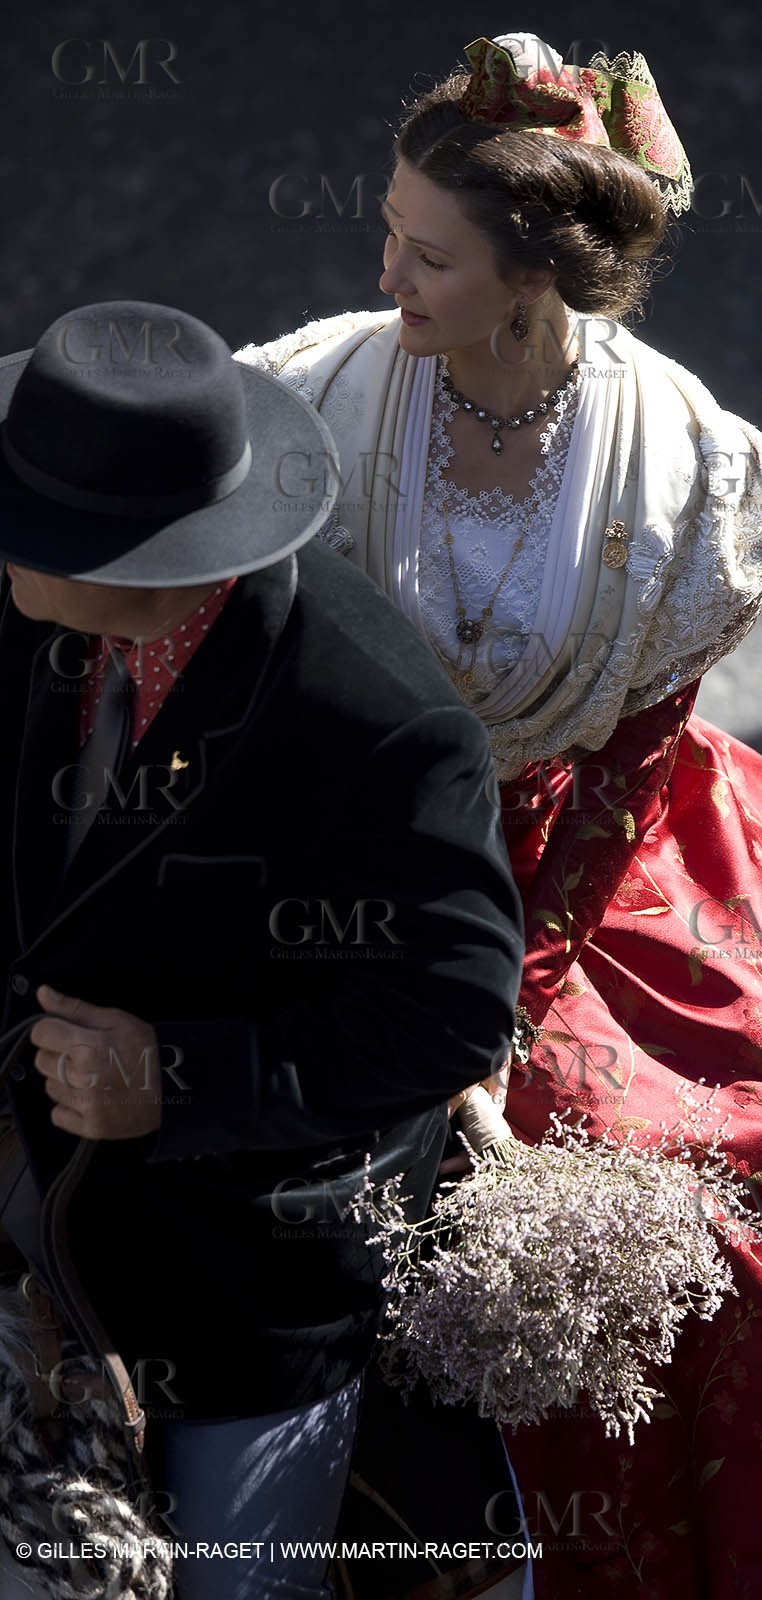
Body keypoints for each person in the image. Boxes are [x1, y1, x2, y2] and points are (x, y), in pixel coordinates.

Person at [234, 33, 762, 1599]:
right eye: (388, 234)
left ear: (536, 276)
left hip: (588, 865)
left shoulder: (674, 456)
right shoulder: (319, 392)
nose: (387, 274)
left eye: (428, 254)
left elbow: (624, 763)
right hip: (345, 846)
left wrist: (509, 995)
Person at [0, 297, 524, 1599]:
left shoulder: (375, 720)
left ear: (130, 556)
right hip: (30, 1224)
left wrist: (174, 1078)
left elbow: (451, 1007)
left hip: (242, 1287)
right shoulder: (31, 617)